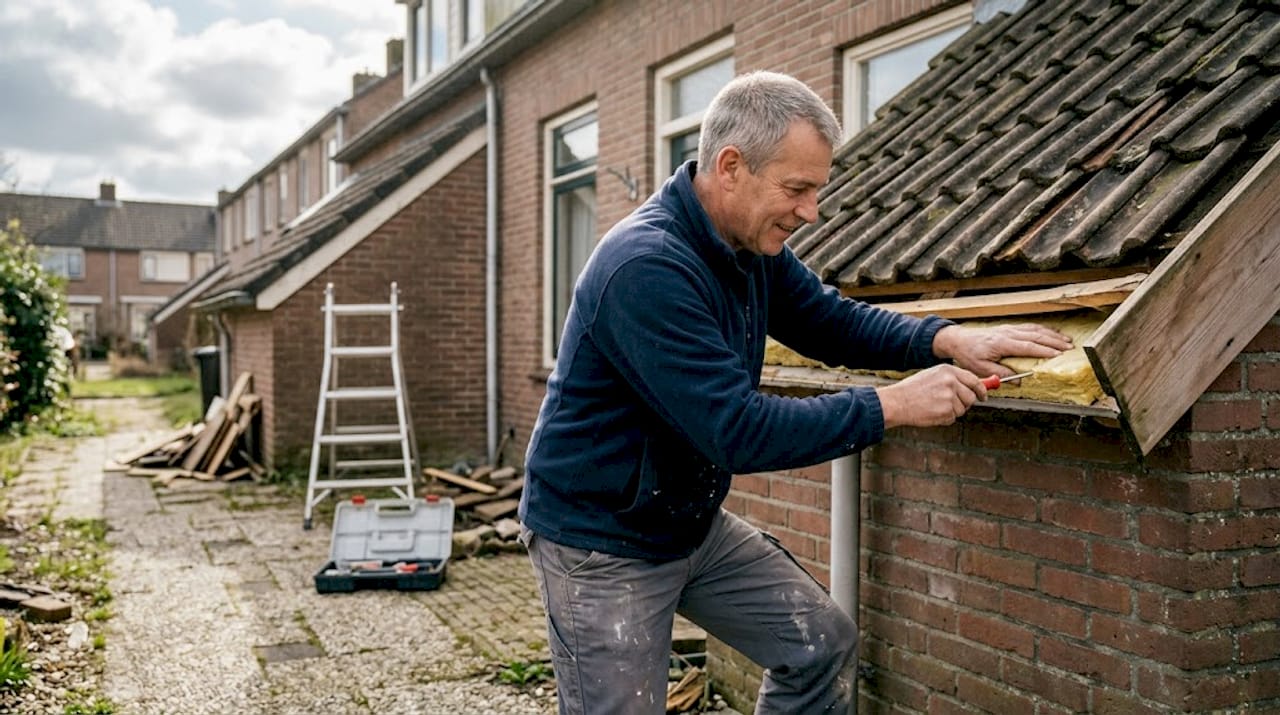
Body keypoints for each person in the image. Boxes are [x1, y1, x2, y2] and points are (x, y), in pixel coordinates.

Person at [518, 71, 1071, 714]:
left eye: (816, 190)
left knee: (818, 645)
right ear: (731, 167)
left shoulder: (746, 246)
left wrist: (945, 340)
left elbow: (829, 320)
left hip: (683, 521)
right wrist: (893, 405)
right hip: (601, 541)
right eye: (797, 189)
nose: (810, 212)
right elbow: (736, 431)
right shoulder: (647, 267)